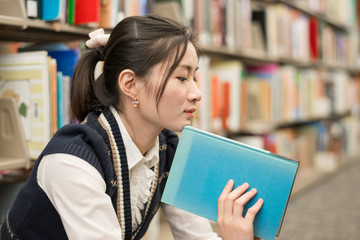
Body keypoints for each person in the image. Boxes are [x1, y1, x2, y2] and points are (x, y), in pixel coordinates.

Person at [0, 15, 263, 240]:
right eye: (182, 78)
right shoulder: (72, 162)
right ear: (130, 84)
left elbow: (197, 235)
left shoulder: (168, 150)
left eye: (195, 77)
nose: (197, 93)